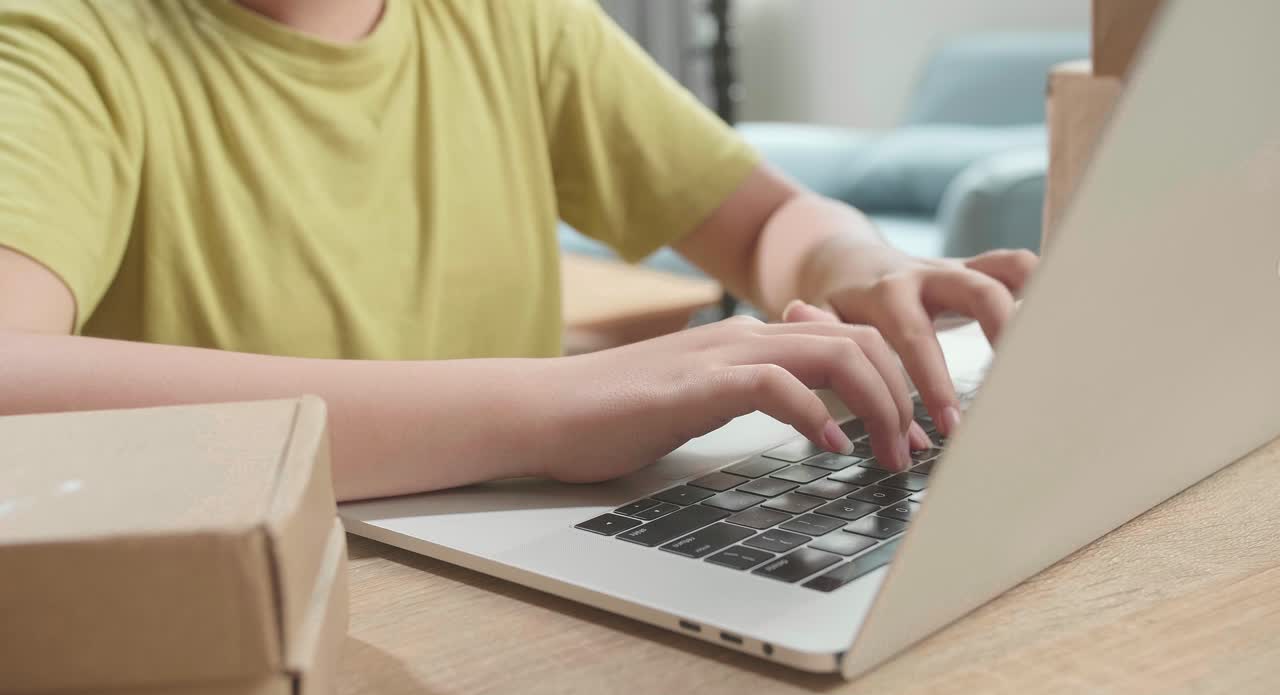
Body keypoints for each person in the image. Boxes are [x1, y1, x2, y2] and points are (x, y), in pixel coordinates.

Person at [0, 0, 1036, 501]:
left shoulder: (507, 17)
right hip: (253, 601)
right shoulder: (62, 39)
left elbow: (766, 221)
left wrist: (850, 269)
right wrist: (549, 405)